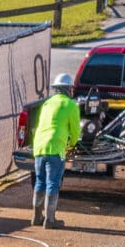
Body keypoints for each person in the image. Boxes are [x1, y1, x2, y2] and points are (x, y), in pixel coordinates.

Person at [29, 72, 82, 228]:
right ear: (67, 90)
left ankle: (37, 217)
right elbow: (75, 131)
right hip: (55, 148)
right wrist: (71, 145)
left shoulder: (47, 103)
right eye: (71, 89)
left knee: (40, 181)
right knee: (53, 183)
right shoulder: (70, 104)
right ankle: (50, 220)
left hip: (39, 147)